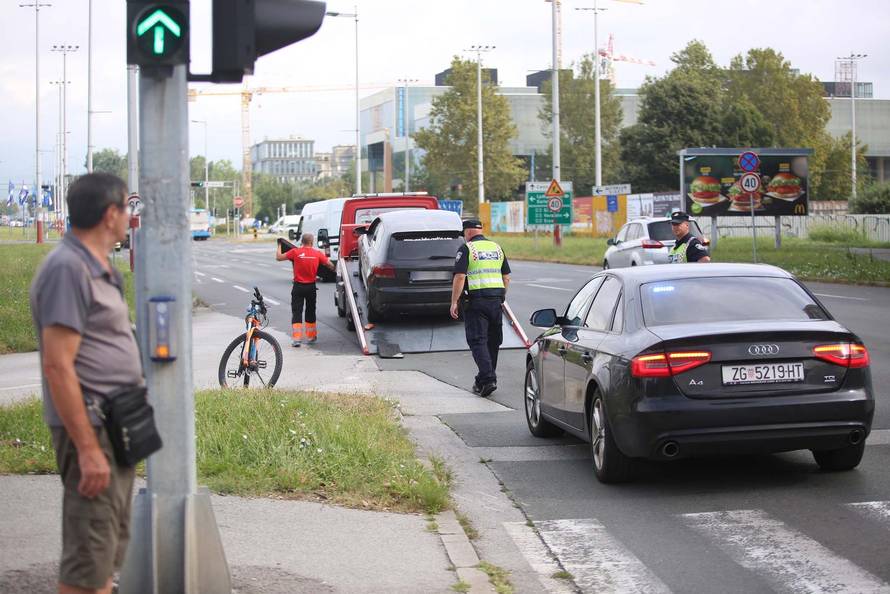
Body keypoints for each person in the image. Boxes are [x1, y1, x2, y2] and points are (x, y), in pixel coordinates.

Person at [29, 172, 143, 594]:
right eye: (127, 210)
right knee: (87, 559)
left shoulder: (97, 266)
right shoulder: (67, 269)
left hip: (118, 421)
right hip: (92, 428)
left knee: (105, 552)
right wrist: (89, 450)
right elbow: (58, 366)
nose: (130, 218)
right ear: (110, 214)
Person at [450, 219, 511, 397]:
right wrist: (502, 297)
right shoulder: (496, 248)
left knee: (478, 340)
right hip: (496, 301)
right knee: (493, 340)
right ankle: (483, 379)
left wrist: (454, 301)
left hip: (476, 301)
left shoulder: (467, 249)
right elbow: (506, 277)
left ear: (467, 232)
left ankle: (488, 378)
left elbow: (460, 277)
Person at [277, 232, 335, 347]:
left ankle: (297, 339)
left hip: (298, 287)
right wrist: (328, 268)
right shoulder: (317, 253)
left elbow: (278, 257)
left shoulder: (295, 252)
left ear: (302, 242)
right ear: (312, 242)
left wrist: (279, 245)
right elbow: (330, 265)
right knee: (310, 311)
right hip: (311, 287)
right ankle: (311, 336)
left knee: (297, 312)